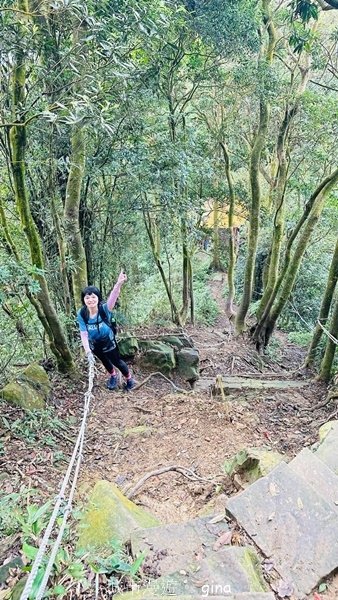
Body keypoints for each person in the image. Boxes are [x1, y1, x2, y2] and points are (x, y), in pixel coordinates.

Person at [77, 270, 135, 390]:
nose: (90, 300)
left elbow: (114, 296)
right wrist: (88, 351)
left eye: (93, 297)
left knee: (117, 361)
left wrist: (118, 284)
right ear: (84, 300)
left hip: (108, 341)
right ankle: (112, 376)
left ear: (98, 298)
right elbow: (83, 333)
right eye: (87, 297)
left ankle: (129, 378)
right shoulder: (82, 313)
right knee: (104, 360)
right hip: (94, 343)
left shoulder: (105, 308)